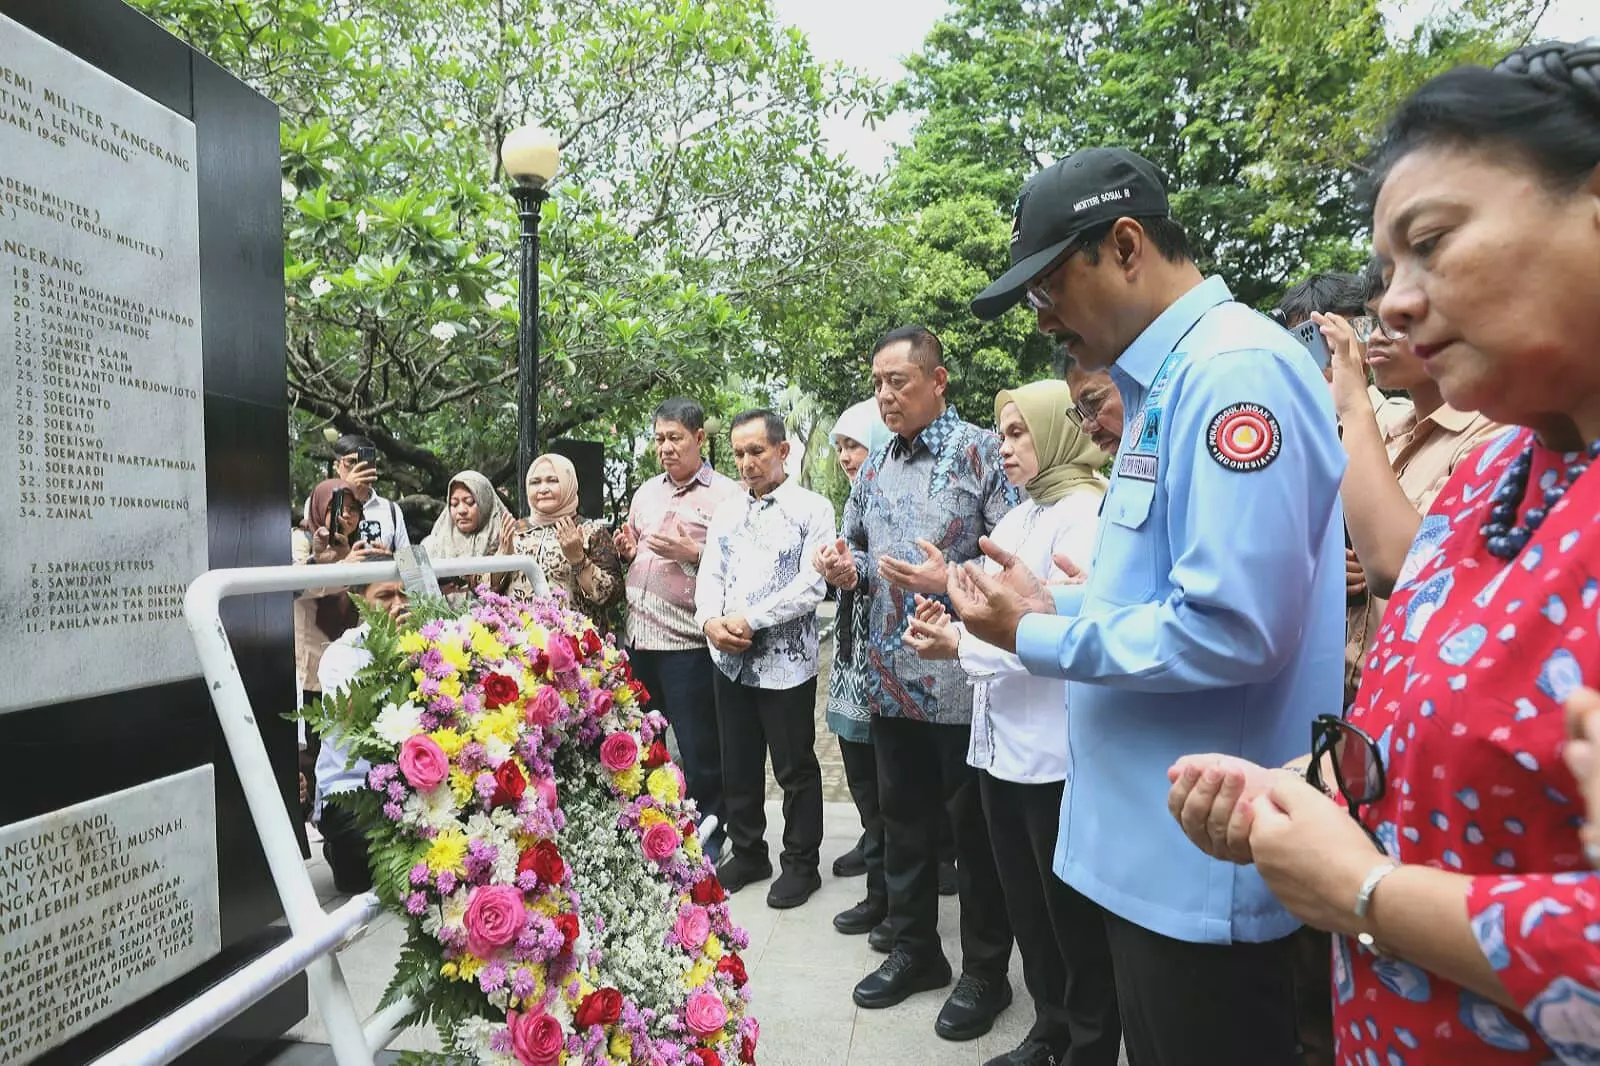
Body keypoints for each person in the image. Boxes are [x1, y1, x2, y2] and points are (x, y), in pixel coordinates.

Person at [1167, 40, 1600, 1064]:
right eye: (1385, 269)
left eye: (1433, 241)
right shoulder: (1494, 481)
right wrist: (1302, 800)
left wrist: (1363, 892)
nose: (1394, 303)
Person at [955, 146, 1347, 1065]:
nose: (1042, 316)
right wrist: (1059, 598)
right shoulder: (1164, 383)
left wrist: (1036, 632)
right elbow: (1166, 586)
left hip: (1205, 872)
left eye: (1050, 284)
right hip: (1150, 857)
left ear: (1125, 245)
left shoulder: (1233, 372)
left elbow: (1232, 626)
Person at [905, 378, 1122, 1066]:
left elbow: (1058, 639)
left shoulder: (1085, 513)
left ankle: (1087, 1043)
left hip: (1056, 756)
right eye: (1001, 434)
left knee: (1072, 920)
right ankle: (1050, 1028)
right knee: (1028, 906)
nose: (1005, 447)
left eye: (1019, 432)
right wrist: (950, 595)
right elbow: (990, 607)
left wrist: (961, 642)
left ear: (1061, 429)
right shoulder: (1025, 514)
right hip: (1000, 750)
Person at [814, 326, 1018, 1041]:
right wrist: (845, 570)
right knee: (901, 825)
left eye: (898, 381)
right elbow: (864, 559)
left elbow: (1017, 567)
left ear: (938, 381)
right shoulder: (873, 468)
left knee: (976, 836)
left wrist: (950, 580)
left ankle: (986, 972)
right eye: (877, 383)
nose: (884, 395)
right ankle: (915, 951)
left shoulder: (983, 453)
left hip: (962, 680)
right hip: (889, 676)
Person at [694, 409, 834, 908]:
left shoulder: (813, 509)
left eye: (756, 451)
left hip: (786, 663)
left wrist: (750, 619)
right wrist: (711, 621)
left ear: (782, 451)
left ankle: (802, 863)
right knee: (738, 763)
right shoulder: (728, 511)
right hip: (728, 658)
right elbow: (710, 574)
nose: (747, 462)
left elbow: (811, 585)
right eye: (738, 453)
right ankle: (750, 852)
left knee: (794, 767)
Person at [615, 398, 743, 862]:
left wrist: (692, 552)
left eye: (675, 438)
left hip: (687, 644)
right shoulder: (646, 492)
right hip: (639, 643)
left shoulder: (727, 495)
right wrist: (627, 548)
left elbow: (740, 568)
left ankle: (714, 832)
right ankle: (658, 831)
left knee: (698, 747)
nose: (666, 448)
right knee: (645, 745)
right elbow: (633, 548)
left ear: (699, 439)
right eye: (659, 439)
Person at [824, 399, 895, 935]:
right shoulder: (857, 498)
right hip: (851, 665)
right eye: (841, 447)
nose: (846, 456)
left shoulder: (891, 496)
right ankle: (876, 860)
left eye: (854, 444)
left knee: (888, 789)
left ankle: (886, 893)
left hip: (886, 667)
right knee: (864, 781)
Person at [292, 478, 384, 844]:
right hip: (310, 668)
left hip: (352, 670)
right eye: (337, 508)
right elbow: (298, 585)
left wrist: (372, 563)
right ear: (318, 509)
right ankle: (318, 827)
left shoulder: (362, 548)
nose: (345, 516)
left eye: (352, 509)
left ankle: (338, 832)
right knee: (309, 756)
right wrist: (328, 562)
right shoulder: (299, 540)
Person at [313, 558, 410, 894]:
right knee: (363, 883)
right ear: (360, 603)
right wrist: (392, 657)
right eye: (385, 596)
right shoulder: (341, 654)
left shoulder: (421, 642)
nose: (398, 604)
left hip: (408, 786)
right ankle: (335, 847)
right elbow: (356, 718)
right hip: (353, 793)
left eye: (403, 594)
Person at [506, 454, 624, 625]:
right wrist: (502, 559)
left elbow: (614, 595)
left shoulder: (591, 531)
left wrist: (579, 560)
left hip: (574, 644)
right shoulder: (515, 531)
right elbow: (484, 590)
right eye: (535, 482)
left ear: (569, 482)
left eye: (552, 480)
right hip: (519, 644)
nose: (543, 489)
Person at [421, 469, 516, 600]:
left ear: (485, 501)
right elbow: (412, 595)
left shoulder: (505, 538)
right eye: (454, 504)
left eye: (470, 502)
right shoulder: (431, 544)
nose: (461, 510)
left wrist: (502, 558)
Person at [323, 433, 410, 552]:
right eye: (351, 462)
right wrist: (346, 490)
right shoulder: (322, 505)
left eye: (364, 463)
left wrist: (389, 559)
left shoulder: (391, 509)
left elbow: (411, 567)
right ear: (337, 466)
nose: (357, 469)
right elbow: (315, 559)